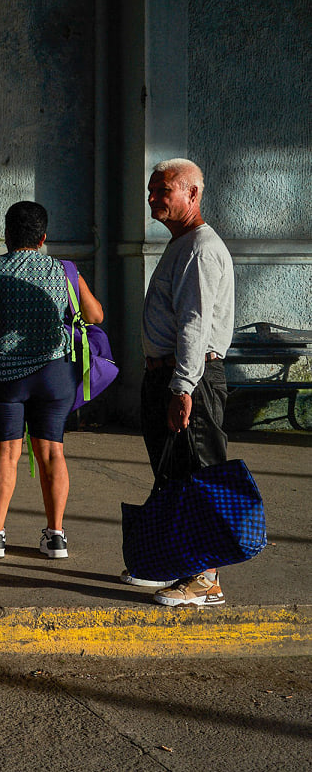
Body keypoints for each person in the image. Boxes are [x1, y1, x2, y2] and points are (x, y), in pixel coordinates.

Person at [128, 158, 236, 606]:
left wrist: (182, 388)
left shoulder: (200, 248)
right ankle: (179, 561)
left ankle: (206, 578)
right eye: (152, 190)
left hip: (188, 377)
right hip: (171, 374)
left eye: (164, 190)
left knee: (199, 474)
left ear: (193, 194)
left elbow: (194, 323)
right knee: (173, 474)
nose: (154, 198)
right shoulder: (183, 243)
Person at [0, 201, 103, 561]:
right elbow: (95, 314)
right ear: (43, 237)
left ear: (7, 235)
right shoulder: (64, 271)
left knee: (5, 452)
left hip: (3, 375)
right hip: (53, 375)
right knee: (52, 452)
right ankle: (56, 537)